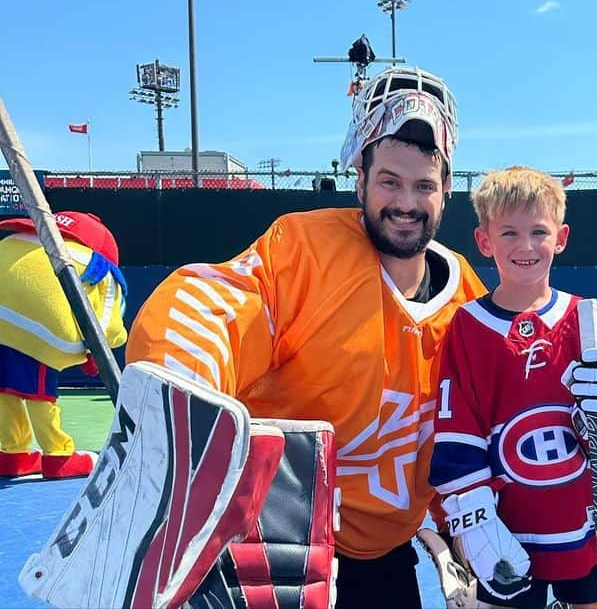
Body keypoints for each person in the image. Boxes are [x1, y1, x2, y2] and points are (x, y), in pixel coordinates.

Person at [126, 65, 487, 608]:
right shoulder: (304, 250)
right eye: (389, 180)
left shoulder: (467, 296)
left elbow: (482, 425)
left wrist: (471, 532)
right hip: (272, 549)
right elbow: (213, 307)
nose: (406, 203)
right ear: (359, 176)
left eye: (423, 186)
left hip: (382, 559)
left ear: (447, 190)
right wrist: (180, 390)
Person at [429, 166, 597, 609]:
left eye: (538, 231)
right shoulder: (467, 328)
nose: (525, 246)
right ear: (484, 241)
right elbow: (457, 431)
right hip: (506, 529)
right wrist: (474, 521)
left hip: (582, 521)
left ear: (560, 238)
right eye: (509, 233)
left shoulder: (586, 319)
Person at [0, 211, 127, 479]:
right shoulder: (96, 265)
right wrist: (96, 349)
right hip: (44, 338)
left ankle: (13, 453)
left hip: (3, 331)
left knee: (6, 392)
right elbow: (107, 321)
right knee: (39, 395)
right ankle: (57, 455)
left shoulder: (13, 242)